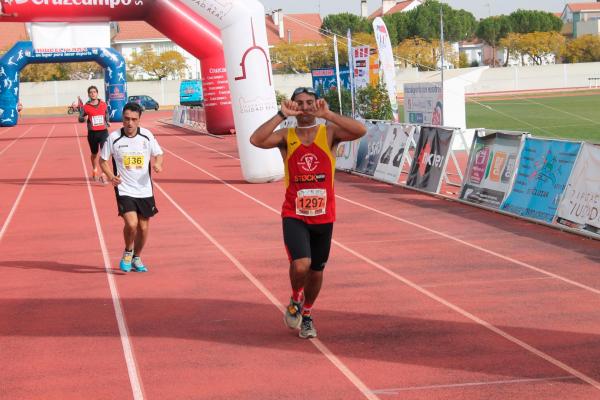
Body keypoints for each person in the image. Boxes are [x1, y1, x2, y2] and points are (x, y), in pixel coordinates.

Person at [250, 87, 366, 339]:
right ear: (293, 105)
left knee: (317, 270)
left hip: (325, 216)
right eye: (299, 103)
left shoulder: (329, 132)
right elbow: (256, 140)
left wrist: (329, 114)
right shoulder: (285, 136)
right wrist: (281, 114)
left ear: (316, 104)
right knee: (301, 264)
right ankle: (295, 298)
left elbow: (361, 131)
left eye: (309, 103)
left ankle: (308, 313)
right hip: (295, 213)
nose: (304, 107)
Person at [99, 102, 164, 273]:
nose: (130, 123)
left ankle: (137, 257)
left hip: (144, 189)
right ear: (122, 118)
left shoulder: (147, 136)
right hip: (124, 188)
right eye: (126, 119)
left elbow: (158, 154)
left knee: (143, 227)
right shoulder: (114, 138)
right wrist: (111, 176)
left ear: (139, 120)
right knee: (132, 223)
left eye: (134, 119)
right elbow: (103, 160)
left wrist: (157, 164)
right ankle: (128, 251)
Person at [79, 86, 110, 183]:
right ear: (88, 94)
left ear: (97, 93)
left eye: (94, 92)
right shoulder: (86, 107)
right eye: (91, 92)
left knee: (104, 153)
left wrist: (107, 121)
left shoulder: (103, 104)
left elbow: (106, 113)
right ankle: (95, 169)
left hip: (103, 132)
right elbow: (80, 118)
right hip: (92, 133)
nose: (93, 94)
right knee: (94, 154)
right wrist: (83, 119)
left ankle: (103, 174)